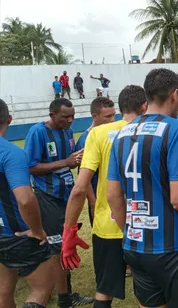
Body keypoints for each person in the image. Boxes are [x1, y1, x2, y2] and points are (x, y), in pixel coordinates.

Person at [107, 68, 178, 308]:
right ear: (175, 95)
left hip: (135, 247)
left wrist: (130, 232)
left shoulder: (121, 133)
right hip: (173, 249)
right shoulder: (175, 129)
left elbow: (113, 196)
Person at [62, 85, 147, 308]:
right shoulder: (155, 130)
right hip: (146, 224)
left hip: (107, 225)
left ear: (120, 108)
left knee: (104, 291)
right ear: (144, 106)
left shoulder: (98, 134)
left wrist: (68, 231)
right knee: (148, 291)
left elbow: (80, 187)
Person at [23, 98, 93, 308]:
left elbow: (73, 158)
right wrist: (66, 162)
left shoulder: (67, 132)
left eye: (72, 116)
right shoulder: (38, 132)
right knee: (57, 247)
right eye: (65, 117)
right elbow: (30, 167)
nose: (70, 120)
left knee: (66, 243)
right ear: (53, 115)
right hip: (47, 197)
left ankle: (66, 293)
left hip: (66, 198)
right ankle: (64, 299)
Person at [0, 98, 58, 308]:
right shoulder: (10, 152)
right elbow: (25, 199)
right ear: (9, 119)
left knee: (4, 292)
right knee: (42, 288)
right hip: (16, 233)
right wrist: (37, 230)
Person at [75, 97, 116, 226]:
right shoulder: (85, 139)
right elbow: (83, 177)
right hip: (98, 200)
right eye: (108, 116)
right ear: (95, 116)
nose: (112, 120)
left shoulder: (111, 134)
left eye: (114, 115)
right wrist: (93, 202)